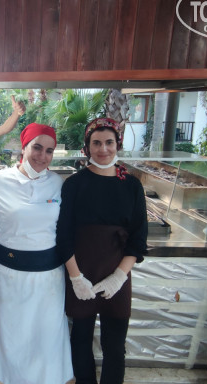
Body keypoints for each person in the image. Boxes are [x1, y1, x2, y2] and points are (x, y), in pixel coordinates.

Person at [0, 123, 74, 384]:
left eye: (49, 151)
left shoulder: (57, 184)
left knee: (46, 337)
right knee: (12, 337)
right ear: (24, 147)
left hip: (48, 277)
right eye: (37, 148)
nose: (42, 156)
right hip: (9, 275)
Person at [56, 117, 148, 384]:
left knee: (115, 345)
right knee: (80, 340)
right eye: (96, 143)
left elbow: (138, 237)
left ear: (118, 144)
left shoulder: (132, 185)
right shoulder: (74, 184)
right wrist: (76, 278)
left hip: (118, 271)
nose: (103, 149)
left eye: (109, 142)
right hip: (81, 270)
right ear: (87, 147)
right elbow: (64, 235)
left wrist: (119, 277)